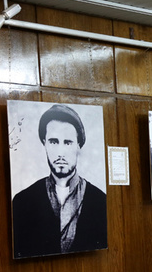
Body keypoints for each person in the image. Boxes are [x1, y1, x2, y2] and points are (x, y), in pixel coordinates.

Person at [12, 104, 106, 259]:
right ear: (44, 143)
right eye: (54, 142)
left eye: (67, 142)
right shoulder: (22, 202)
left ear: (78, 145)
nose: (61, 153)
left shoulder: (100, 201)